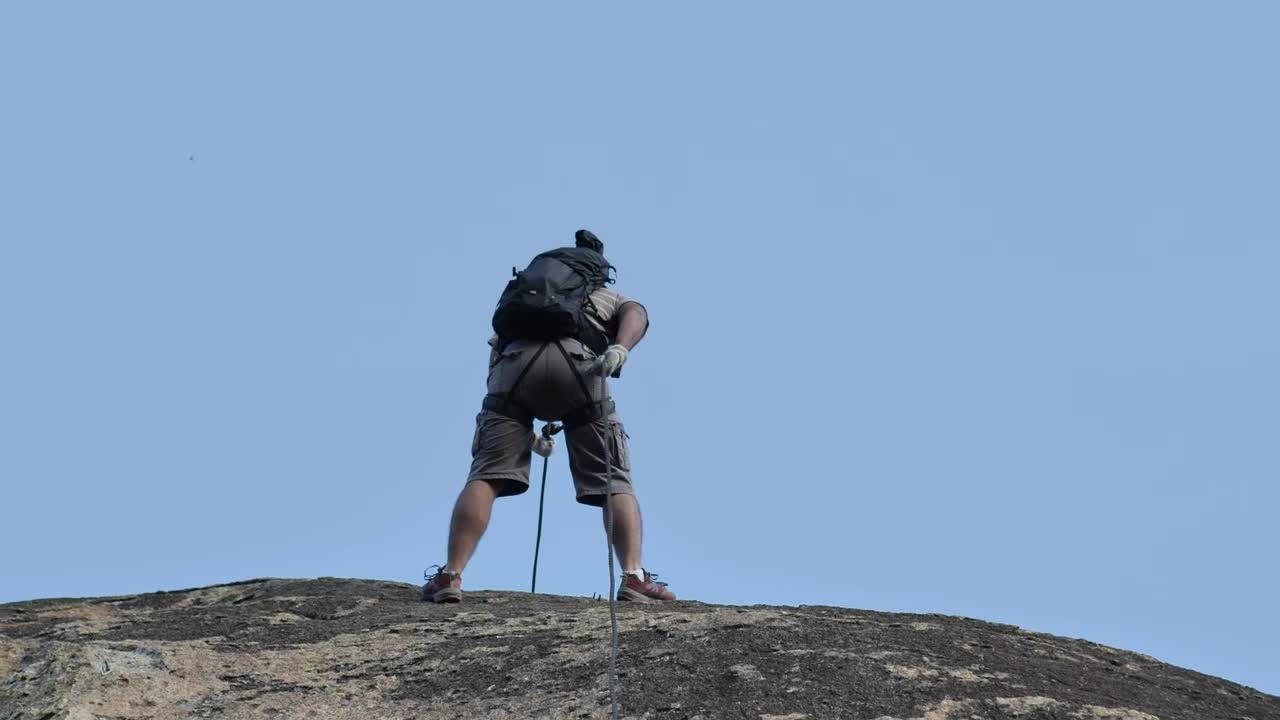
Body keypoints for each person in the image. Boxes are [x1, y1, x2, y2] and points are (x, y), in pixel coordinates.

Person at [422, 229, 676, 604]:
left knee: (486, 475)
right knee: (615, 480)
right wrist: (621, 348)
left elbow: (495, 367)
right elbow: (637, 313)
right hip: (580, 370)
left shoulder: (525, 298)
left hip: (514, 371)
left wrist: (526, 435)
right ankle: (633, 577)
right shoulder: (604, 295)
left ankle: (450, 575)